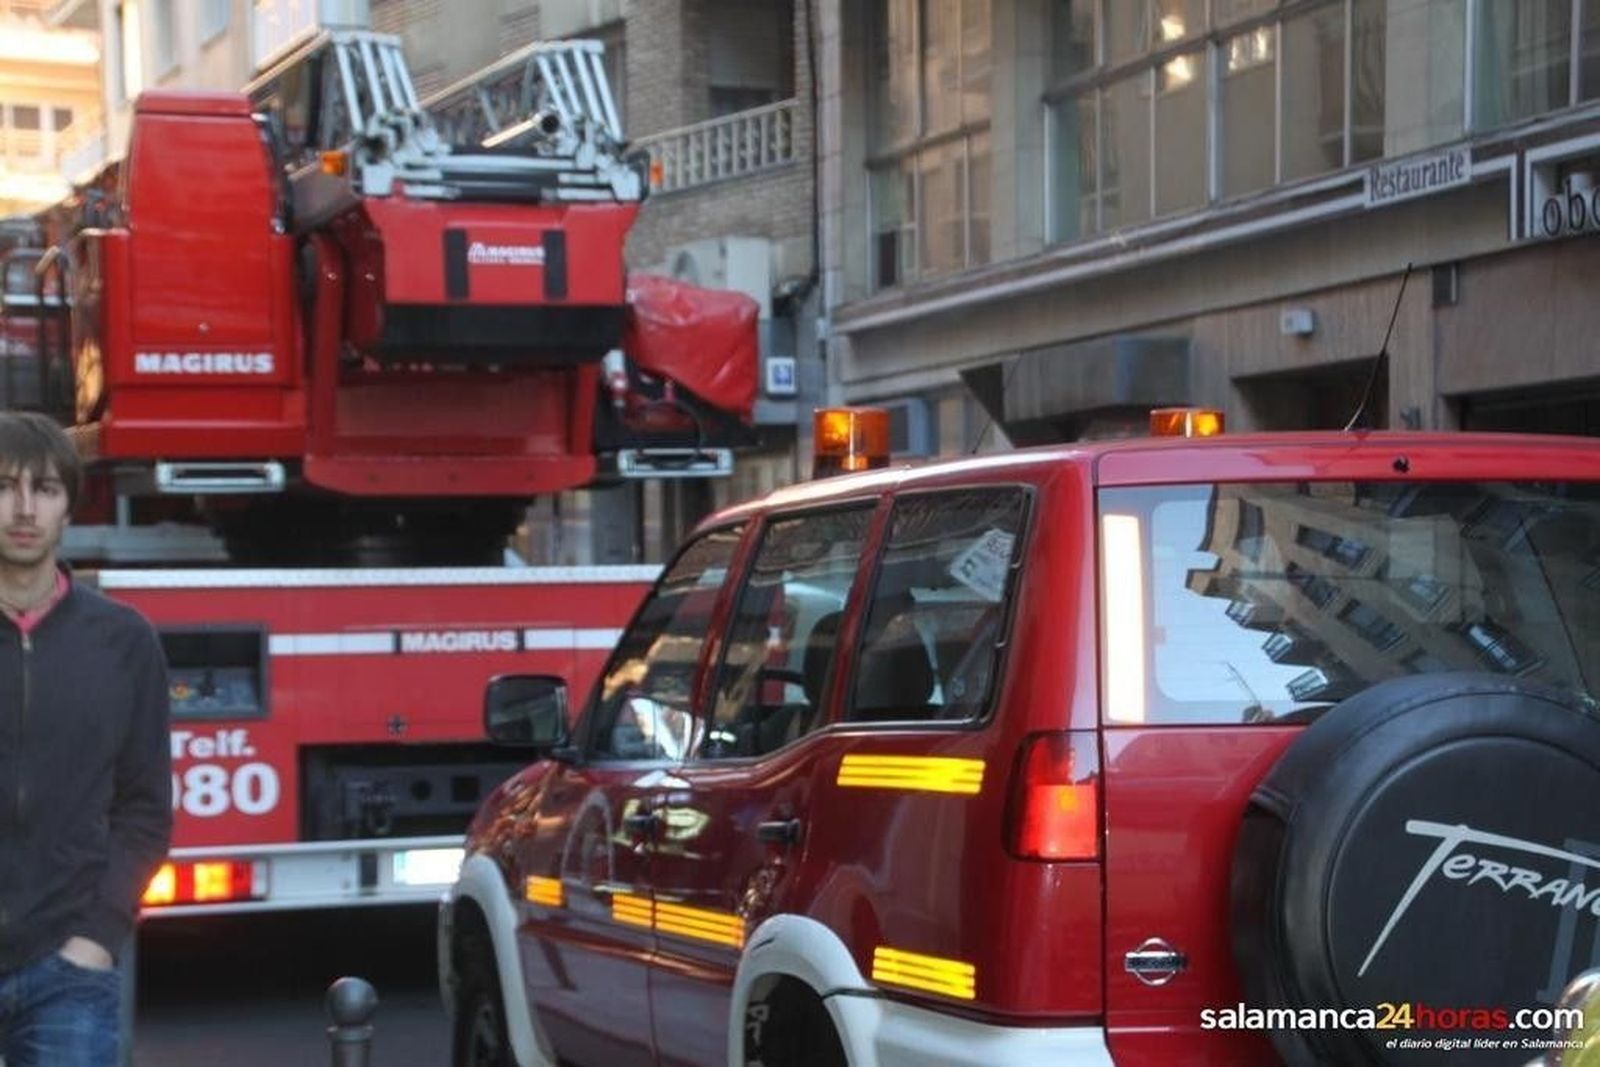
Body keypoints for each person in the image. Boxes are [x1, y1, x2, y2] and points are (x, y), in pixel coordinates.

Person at [0, 412, 172, 1065]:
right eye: (4, 486)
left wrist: (98, 935)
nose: (24, 508)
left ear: (69, 506)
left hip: (67, 972)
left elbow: (145, 809)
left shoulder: (124, 642)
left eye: (44, 488)